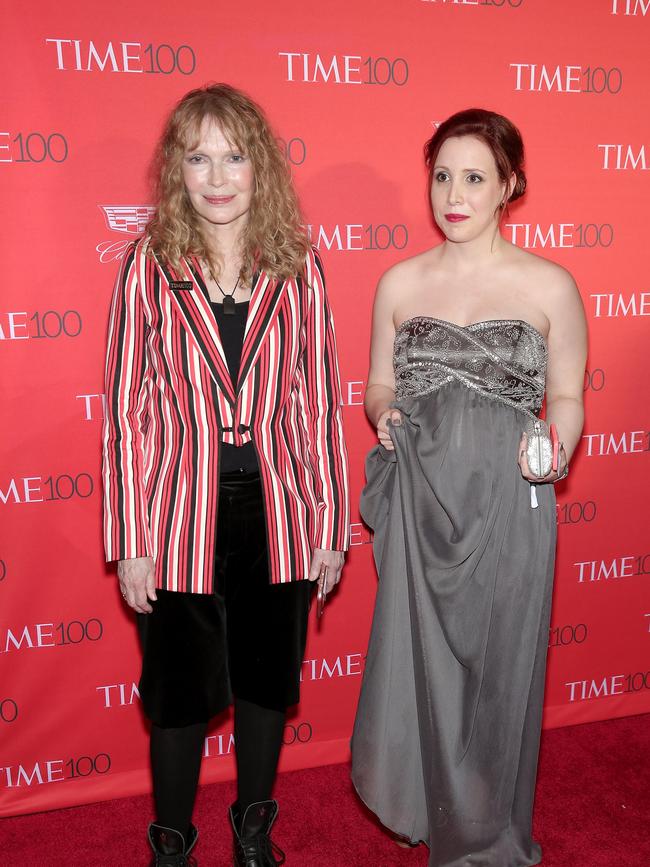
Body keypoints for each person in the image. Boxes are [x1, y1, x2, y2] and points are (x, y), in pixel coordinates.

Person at [102, 83, 349, 867]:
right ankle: (171, 843)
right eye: (198, 156)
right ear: (177, 168)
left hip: (277, 511)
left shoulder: (300, 266)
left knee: (266, 684)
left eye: (233, 156)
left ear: (261, 167)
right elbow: (125, 411)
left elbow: (317, 406)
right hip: (177, 513)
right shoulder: (149, 264)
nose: (216, 176)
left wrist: (330, 527)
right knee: (176, 696)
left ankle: (253, 831)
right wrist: (132, 540)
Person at [351, 108, 587, 866]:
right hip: (422, 505)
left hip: (510, 505)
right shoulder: (400, 280)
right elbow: (378, 384)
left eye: (475, 177)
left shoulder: (550, 284)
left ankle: (488, 838)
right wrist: (384, 413)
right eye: (443, 176)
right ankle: (433, 812)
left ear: (509, 185)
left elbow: (571, 398)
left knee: (501, 671)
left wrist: (557, 446)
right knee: (425, 672)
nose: (454, 194)